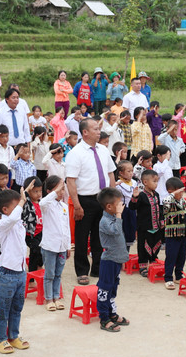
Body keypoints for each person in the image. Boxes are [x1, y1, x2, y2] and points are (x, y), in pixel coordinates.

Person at [65, 118, 116, 285]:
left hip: (103, 198)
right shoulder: (76, 153)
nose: (98, 131)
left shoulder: (102, 150)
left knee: (100, 235)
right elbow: (71, 181)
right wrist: (77, 205)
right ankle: (81, 270)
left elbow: (110, 174)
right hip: (85, 200)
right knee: (81, 236)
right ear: (85, 132)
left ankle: (98, 267)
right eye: (95, 128)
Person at [0, 188, 30, 354]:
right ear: (5, 210)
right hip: (7, 273)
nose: (20, 208)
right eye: (16, 206)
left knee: (17, 308)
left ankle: (13, 336)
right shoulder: (3, 223)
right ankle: (1, 339)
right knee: (3, 310)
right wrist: (22, 200)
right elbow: (14, 216)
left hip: (20, 272)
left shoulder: (18, 222)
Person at [95, 187, 130, 332]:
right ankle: (104, 318)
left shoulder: (113, 217)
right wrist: (119, 215)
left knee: (113, 288)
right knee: (104, 289)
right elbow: (115, 231)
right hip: (108, 260)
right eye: (118, 203)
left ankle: (112, 313)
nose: (121, 205)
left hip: (116, 260)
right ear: (109, 206)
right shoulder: (105, 221)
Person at [40, 174, 71, 311]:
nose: (61, 192)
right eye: (59, 189)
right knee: (50, 274)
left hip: (62, 246)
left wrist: (68, 245)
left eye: (63, 189)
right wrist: (55, 192)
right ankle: (49, 299)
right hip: (50, 246)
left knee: (58, 274)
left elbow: (67, 227)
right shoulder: (47, 205)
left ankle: (57, 297)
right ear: (49, 191)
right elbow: (42, 203)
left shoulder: (64, 206)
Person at [130, 169, 163, 275]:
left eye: (157, 181)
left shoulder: (157, 194)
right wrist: (134, 197)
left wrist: (162, 221)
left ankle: (153, 260)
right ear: (145, 182)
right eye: (154, 181)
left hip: (157, 226)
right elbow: (132, 207)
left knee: (156, 244)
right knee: (143, 246)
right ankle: (143, 265)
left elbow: (160, 208)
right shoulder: (141, 195)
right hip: (144, 227)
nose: (156, 184)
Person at [161, 177, 186, 290]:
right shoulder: (168, 201)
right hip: (172, 234)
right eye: (179, 191)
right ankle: (168, 278)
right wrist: (173, 195)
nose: (181, 193)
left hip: (183, 232)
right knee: (171, 256)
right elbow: (165, 203)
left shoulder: (183, 201)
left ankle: (178, 275)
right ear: (170, 191)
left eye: (182, 191)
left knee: (182, 256)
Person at [21, 177, 44, 271]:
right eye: (35, 191)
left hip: (40, 232)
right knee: (34, 252)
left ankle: (39, 266)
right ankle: (31, 276)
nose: (39, 194)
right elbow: (23, 197)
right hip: (30, 234)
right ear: (29, 192)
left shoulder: (42, 203)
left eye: (40, 191)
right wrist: (25, 190)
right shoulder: (27, 204)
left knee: (43, 250)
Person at [115, 160, 138, 250]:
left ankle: (125, 255)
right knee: (123, 233)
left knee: (130, 233)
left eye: (132, 171)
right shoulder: (118, 185)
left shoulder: (134, 182)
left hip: (132, 210)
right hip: (123, 211)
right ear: (121, 173)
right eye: (128, 171)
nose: (131, 173)